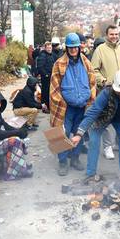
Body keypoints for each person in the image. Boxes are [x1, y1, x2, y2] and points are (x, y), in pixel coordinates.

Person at [70, 70, 120, 190]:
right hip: (102, 118)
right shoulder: (106, 93)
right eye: (118, 91)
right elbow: (92, 113)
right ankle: (90, 174)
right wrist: (79, 133)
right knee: (93, 142)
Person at [49, 33, 96, 176]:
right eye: (71, 47)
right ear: (67, 48)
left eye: (75, 47)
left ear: (79, 47)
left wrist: (90, 99)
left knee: (78, 133)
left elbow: (92, 82)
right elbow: (54, 87)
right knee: (60, 134)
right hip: (66, 107)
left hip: (81, 107)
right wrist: (61, 102)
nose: (73, 50)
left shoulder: (86, 62)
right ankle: (62, 161)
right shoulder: (59, 64)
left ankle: (75, 158)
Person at [91, 25, 120, 160]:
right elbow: (93, 70)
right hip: (107, 90)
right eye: (111, 34)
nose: (114, 37)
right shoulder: (100, 50)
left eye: (116, 34)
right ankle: (107, 146)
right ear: (106, 35)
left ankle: (119, 143)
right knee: (106, 120)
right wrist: (103, 81)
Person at [37, 41, 56, 110]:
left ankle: (49, 105)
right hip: (46, 78)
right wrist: (46, 75)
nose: (49, 49)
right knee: (45, 92)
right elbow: (40, 67)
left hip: (51, 77)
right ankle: (45, 106)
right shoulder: (42, 55)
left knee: (49, 92)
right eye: (48, 48)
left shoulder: (52, 55)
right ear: (45, 48)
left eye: (50, 47)